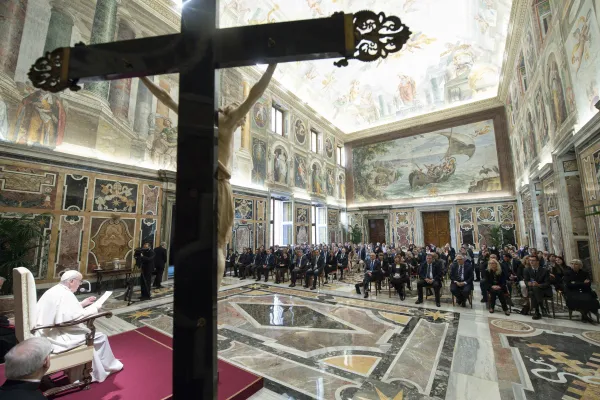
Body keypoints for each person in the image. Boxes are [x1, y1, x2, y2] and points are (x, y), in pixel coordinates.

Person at [140, 65, 278, 292]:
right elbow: (255, 93)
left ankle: (206, 289)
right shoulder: (225, 121)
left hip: (201, 183)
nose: (230, 105)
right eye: (231, 105)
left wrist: (143, 76)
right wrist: (272, 66)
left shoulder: (222, 119)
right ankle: (208, 291)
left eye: (232, 106)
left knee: (210, 244)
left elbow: (255, 93)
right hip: (215, 182)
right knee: (217, 246)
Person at [34, 270, 123, 383]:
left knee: (95, 335)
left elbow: (62, 311)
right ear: (71, 281)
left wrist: (82, 304)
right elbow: (74, 318)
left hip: (45, 331)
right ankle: (102, 369)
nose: (80, 284)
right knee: (100, 337)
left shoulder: (55, 290)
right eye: (79, 281)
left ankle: (92, 368)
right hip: (55, 336)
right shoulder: (66, 294)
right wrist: (95, 308)